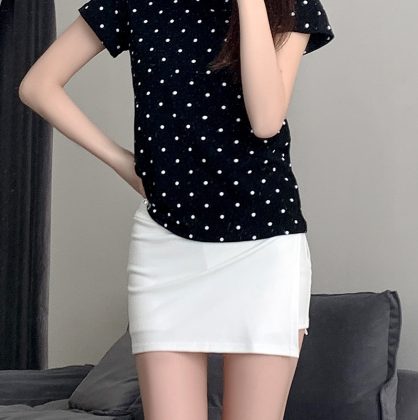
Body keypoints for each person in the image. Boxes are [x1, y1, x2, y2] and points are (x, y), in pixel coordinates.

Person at [19, 0, 335, 418]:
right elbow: (38, 85)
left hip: (264, 245)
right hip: (165, 240)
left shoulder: (287, 4)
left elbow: (265, 120)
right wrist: (124, 164)